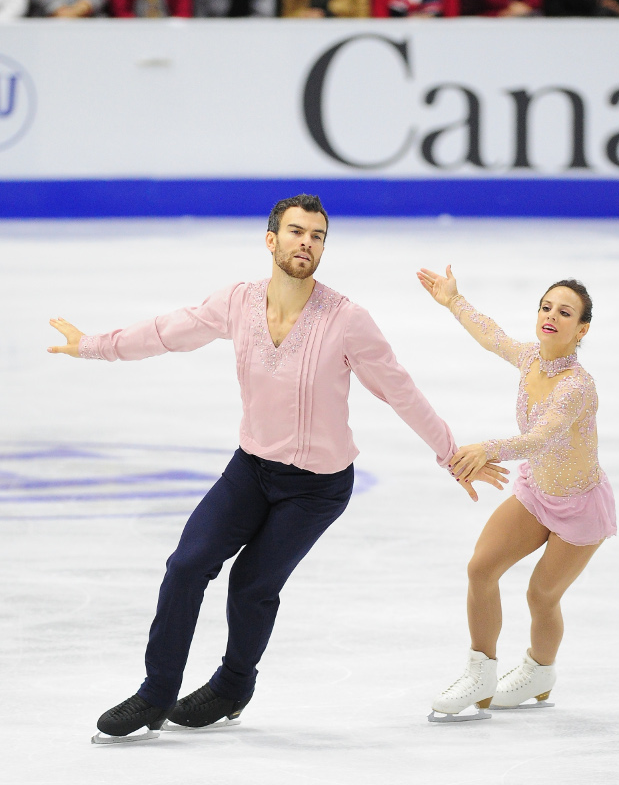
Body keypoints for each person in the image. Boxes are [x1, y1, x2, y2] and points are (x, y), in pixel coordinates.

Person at [48, 195, 508, 743]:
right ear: (271, 240)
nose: (306, 243)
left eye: (317, 235)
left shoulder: (347, 321)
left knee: (250, 585)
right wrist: (93, 346)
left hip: (316, 488)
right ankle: (155, 694)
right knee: (187, 564)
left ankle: (233, 685)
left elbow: (399, 391)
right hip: (251, 469)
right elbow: (167, 331)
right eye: (296, 232)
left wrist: (451, 455)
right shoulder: (237, 303)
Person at [416, 266, 616, 722]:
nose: (551, 316)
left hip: (579, 506)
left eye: (565, 313)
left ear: (582, 329)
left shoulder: (577, 387)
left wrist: (487, 448)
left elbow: (540, 438)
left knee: (541, 596)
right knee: (480, 569)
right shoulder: (529, 358)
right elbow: (491, 336)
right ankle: (480, 671)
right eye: (546, 307)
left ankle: (540, 671)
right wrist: (453, 300)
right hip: (536, 492)